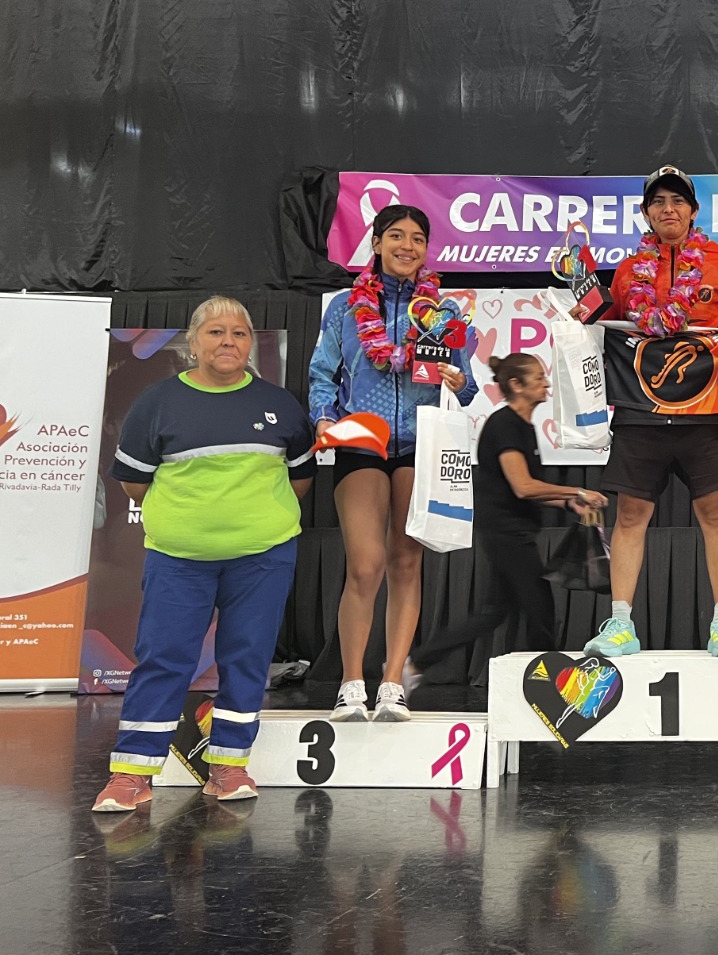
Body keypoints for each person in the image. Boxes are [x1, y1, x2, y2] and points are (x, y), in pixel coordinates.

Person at [93, 298, 317, 812]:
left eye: (239, 333)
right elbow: (133, 484)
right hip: (178, 558)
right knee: (163, 659)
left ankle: (229, 767)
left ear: (249, 343)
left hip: (262, 558)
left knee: (247, 659)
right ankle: (131, 774)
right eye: (215, 332)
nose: (228, 341)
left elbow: (300, 478)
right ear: (193, 343)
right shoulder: (157, 402)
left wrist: (253, 522)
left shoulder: (281, 404)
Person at [584, 165, 718, 659]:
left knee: (716, 513)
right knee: (630, 515)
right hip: (639, 412)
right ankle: (620, 624)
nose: (669, 209)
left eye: (678, 200)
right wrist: (582, 304)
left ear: (693, 211)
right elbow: (603, 325)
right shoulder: (627, 271)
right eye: (659, 202)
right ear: (647, 214)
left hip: (706, 412)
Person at [309, 204, 478, 722]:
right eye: (397, 236)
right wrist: (323, 417)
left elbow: (467, 387)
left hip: (419, 442)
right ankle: (350, 683)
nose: (408, 246)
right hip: (363, 437)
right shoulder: (345, 307)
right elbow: (322, 373)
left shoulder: (444, 311)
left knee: (407, 562)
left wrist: (458, 380)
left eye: (418, 238)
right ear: (377, 243)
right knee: (365, 564)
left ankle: (392, 683)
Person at [405, 354, 606, 680]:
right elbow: (523, 487)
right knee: (540, 611)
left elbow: (526, 489)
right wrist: (578, 492)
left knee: (494, 612)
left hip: (515, 530)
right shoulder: (505, 425)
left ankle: (415, 665)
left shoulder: (523, 427)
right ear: (516, 384)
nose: (546, 383)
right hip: (506, 532)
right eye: (538, 377)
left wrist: (569, 504)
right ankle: (549, 684)